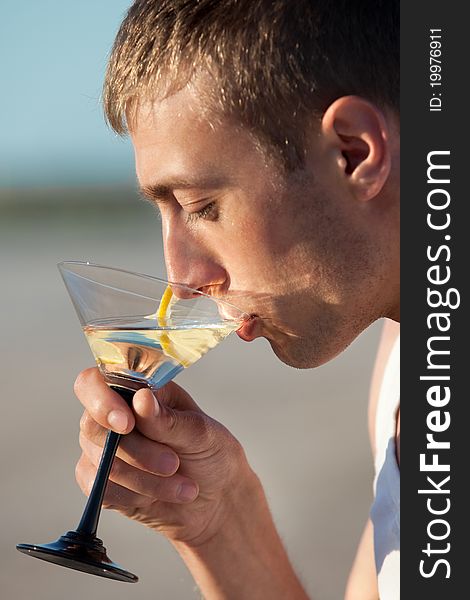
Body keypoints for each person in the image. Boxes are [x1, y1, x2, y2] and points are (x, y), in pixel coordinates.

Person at [74, 1, 400, 598]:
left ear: (354, 154)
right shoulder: (406, 358)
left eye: (203, 207)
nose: (182, 279)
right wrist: (220, 520)